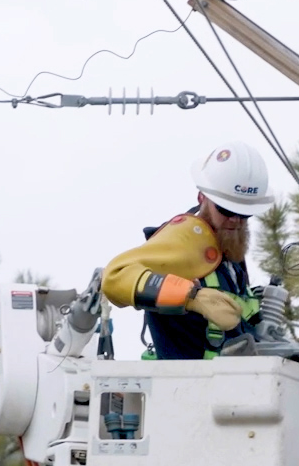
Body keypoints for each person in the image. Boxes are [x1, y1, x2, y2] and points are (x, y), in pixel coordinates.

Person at [102, 141, 275, 360]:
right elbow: (114, 278)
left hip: (227, 384)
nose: (235, 220)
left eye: (244, 213)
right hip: (187, 386)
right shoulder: (184, 238)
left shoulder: (228, 245)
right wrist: (191, 297)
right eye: (226, 209)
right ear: (202, 197)